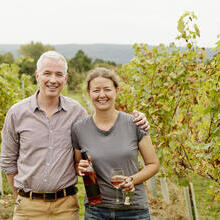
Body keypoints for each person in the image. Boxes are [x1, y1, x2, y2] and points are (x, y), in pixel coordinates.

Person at [0, 51, 150, 220]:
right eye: (47, 73)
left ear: (65, 78)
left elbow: (101, 126)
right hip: (28, 206)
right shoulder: (17, 113)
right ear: (37, 75)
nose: (53, 80)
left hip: (65, 207)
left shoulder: (77, 112)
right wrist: (19, 197)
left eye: (59, 74)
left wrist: (139, 120)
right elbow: (8, 160)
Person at [72, 67, 160, 220]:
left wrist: (132, 179)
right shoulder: (79, 129)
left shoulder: (135, 123)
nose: (102, 95)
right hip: (96, 211)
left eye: (107, 89)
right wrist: (79, 168)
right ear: (89, 93)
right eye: (96, 90)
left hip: (133, 209)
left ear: (117, 90)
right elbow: (77, 164)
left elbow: (153, 164)